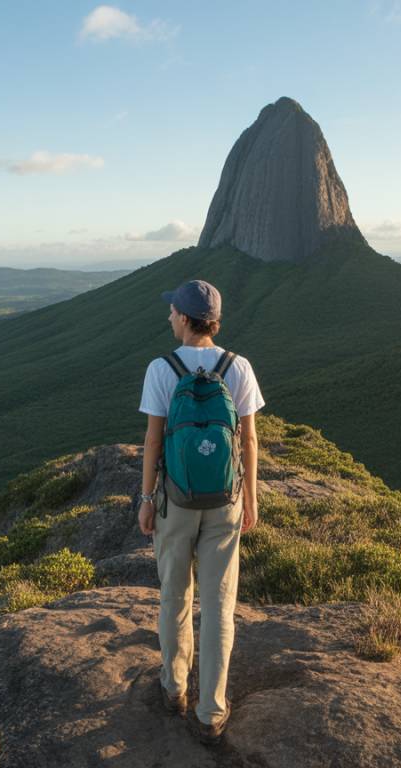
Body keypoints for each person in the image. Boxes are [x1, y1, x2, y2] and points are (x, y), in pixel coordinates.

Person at [137, 278, 265, 744]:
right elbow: (248, 441)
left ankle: (173, 689)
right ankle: (211, 711)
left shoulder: (162, 368)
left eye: (173, 311)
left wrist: (147, 499)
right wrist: (250, 498)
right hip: (226, 503)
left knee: (174, 595)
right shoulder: (239, 366)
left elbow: (153, 440)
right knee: (218, 606)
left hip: (174, 501)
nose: (169, 316)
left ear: (187, 319)